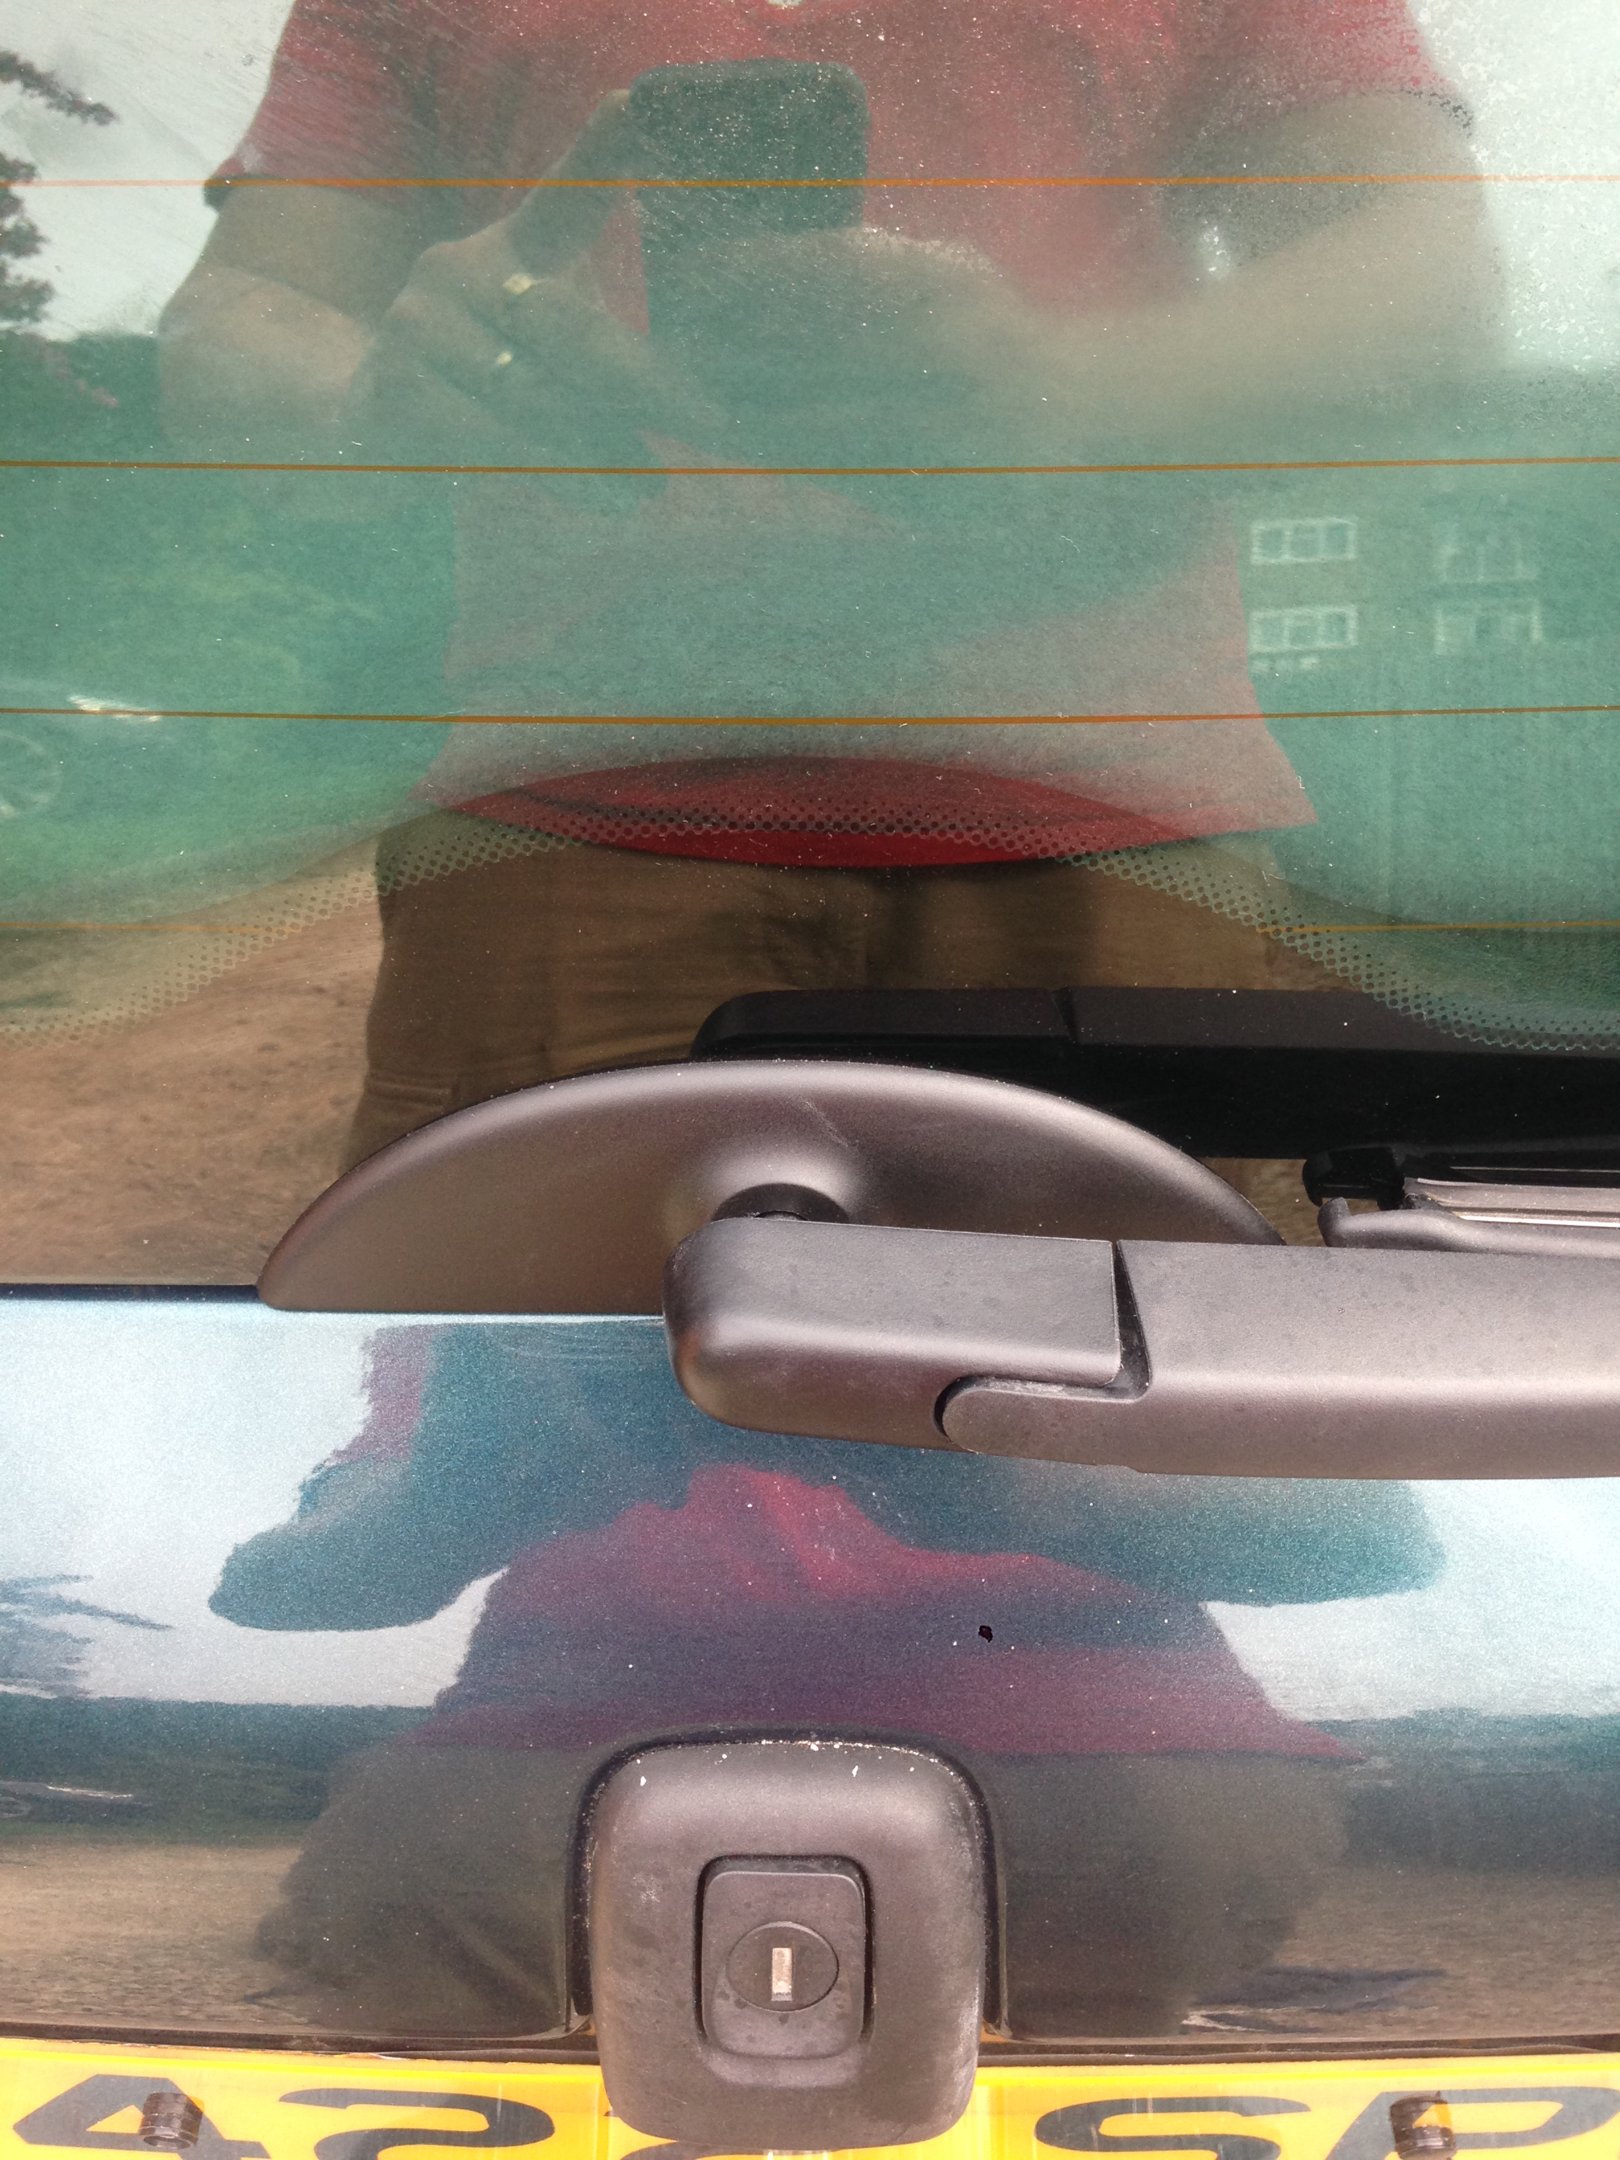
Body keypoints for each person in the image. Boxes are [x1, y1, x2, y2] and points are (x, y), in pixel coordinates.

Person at [156, 0, 1497, 1166]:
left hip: (592, 843)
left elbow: (1430, 285)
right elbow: (1418, 267)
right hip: (1103, 841)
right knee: (1117, 1363)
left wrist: (1063, 400)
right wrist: (380, 398)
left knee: (546, 1369)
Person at [214, 1323, 1442, 2038]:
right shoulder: (508, 1326)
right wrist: (459, 1496)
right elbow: (279, 1586)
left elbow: (1375, 1542)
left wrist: (1019, 1484)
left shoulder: (523, 1316)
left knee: (428, 1963)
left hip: (542, 1768)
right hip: (1134, 1761)